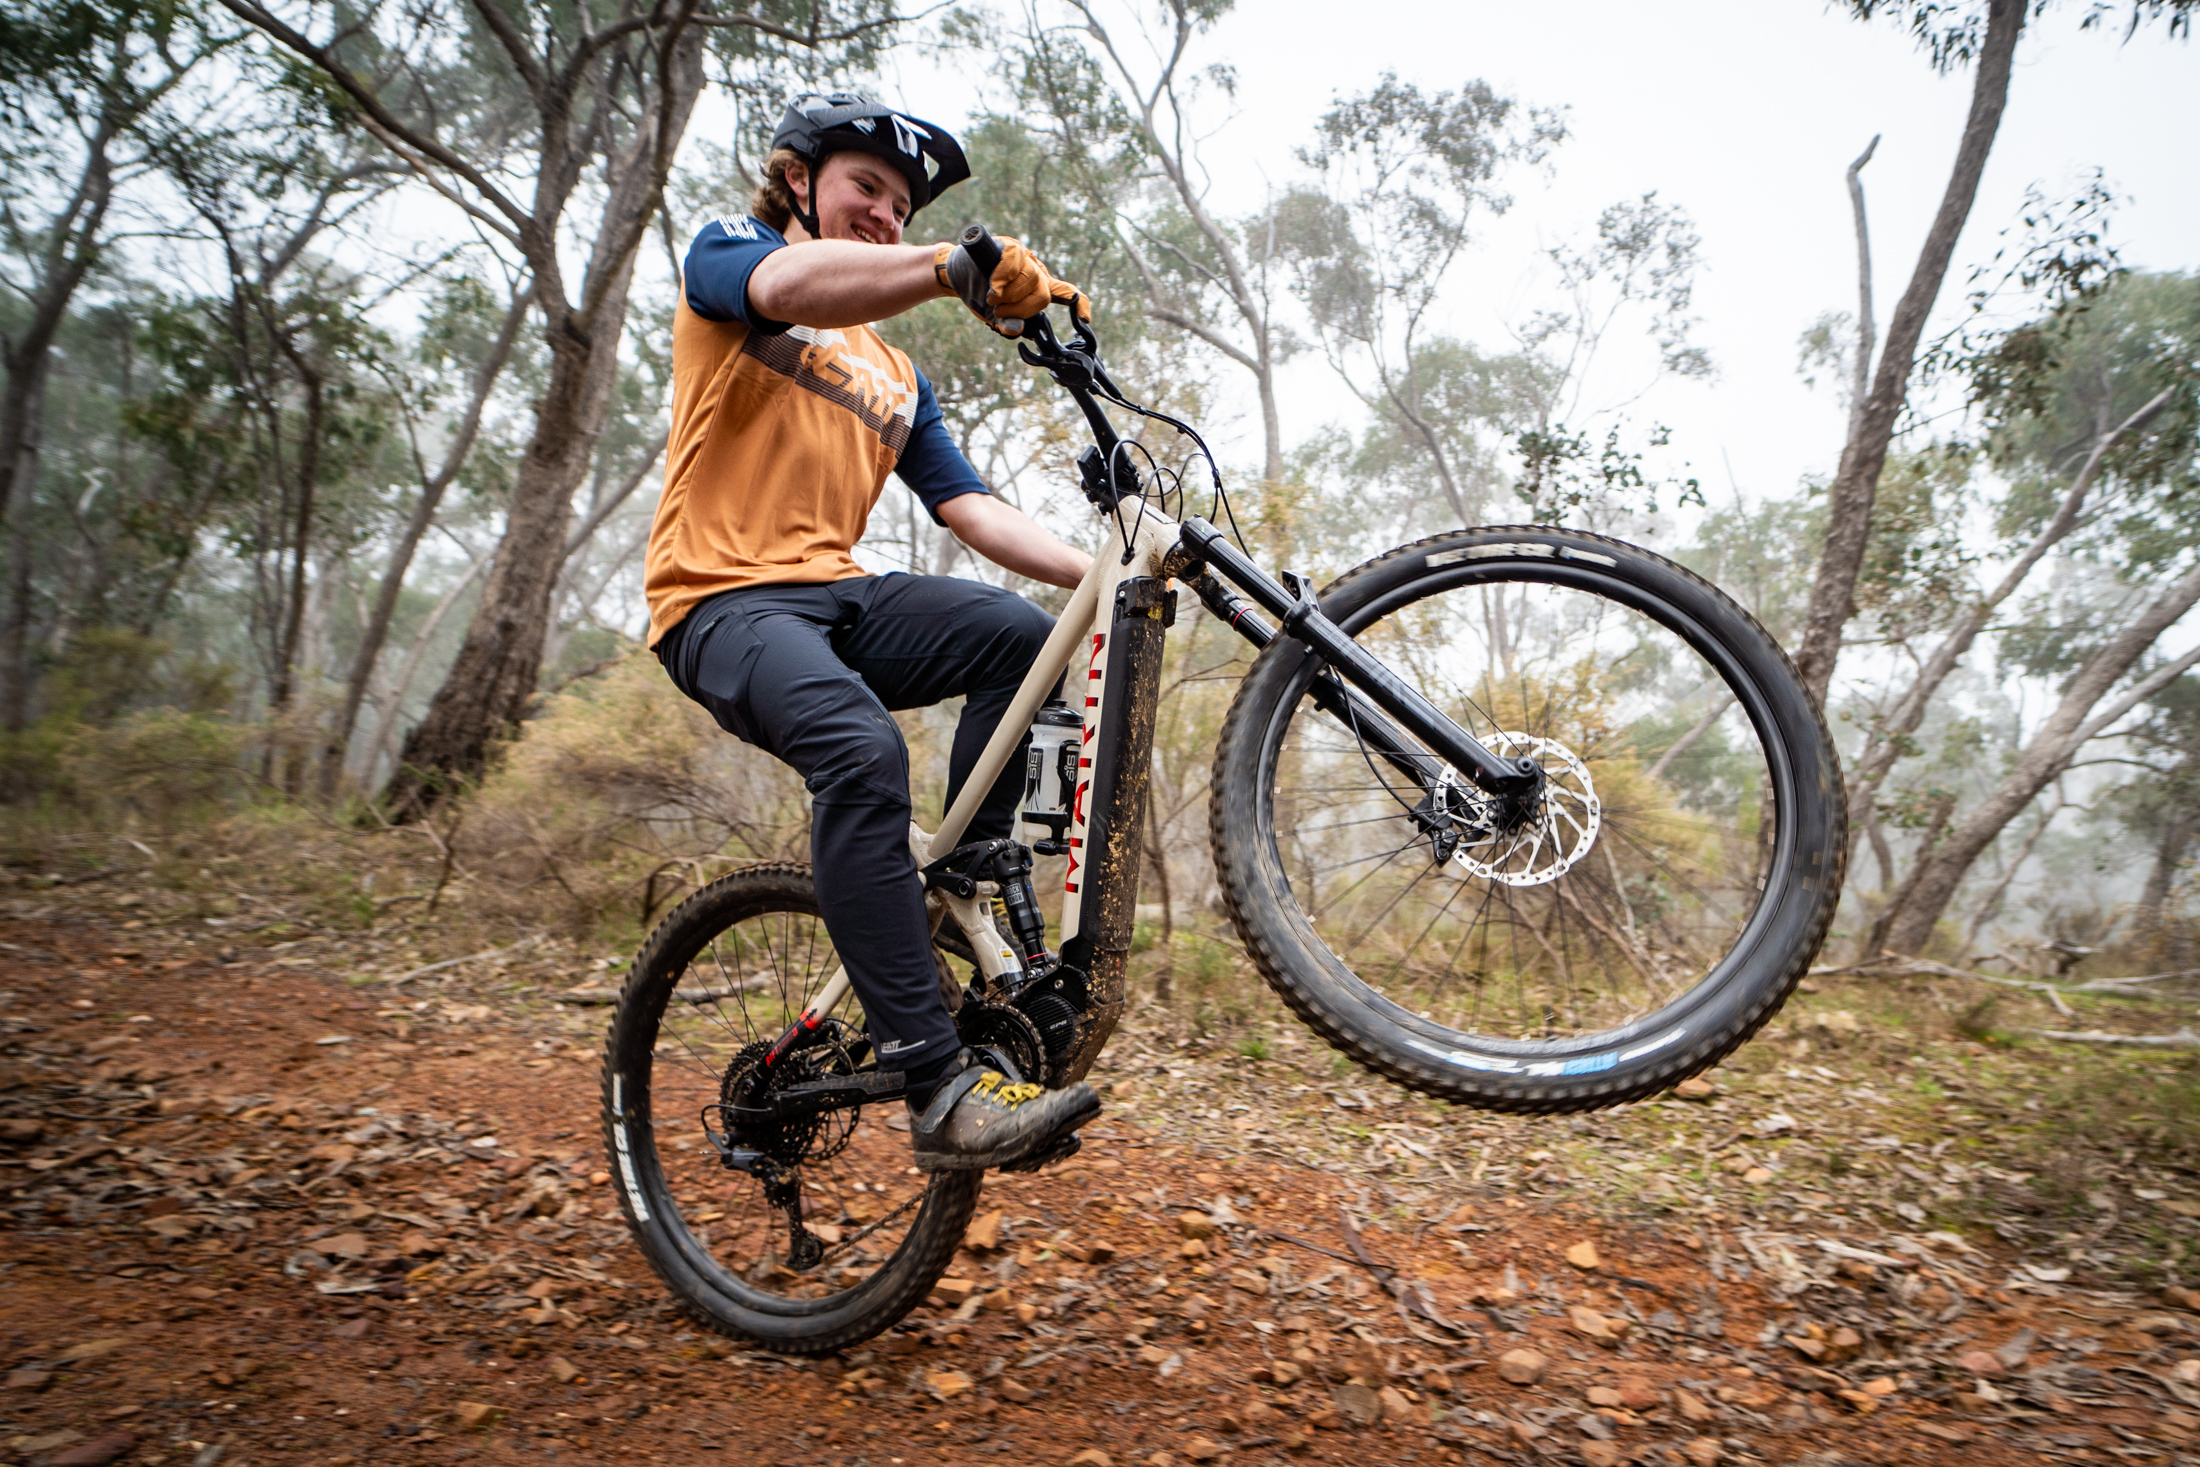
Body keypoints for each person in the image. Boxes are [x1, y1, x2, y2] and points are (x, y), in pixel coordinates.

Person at [644, 92, 1102, 1172]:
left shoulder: (897, 374)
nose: (886, 216)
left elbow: (972, 511)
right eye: (868, 190)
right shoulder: (734, 256)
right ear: (800, 179)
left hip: (833, 597)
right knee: (860, 751)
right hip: (718, 605)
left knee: (1023, 638)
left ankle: (965, 872)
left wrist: (1114, 573)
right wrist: (955, 264)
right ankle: (938, 1089)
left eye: (902, 207)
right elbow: (787, 285)